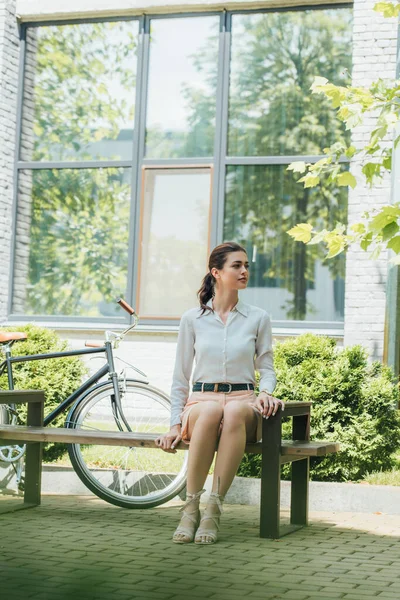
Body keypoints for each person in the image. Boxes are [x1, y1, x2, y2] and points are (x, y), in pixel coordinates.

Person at [155, 242, 284, 545]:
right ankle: (190, 507)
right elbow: (180, 377)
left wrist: (265, 392)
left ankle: (213, 508)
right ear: (216, 272)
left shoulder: (258, 317)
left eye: (246, 266)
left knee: (235, 410)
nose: (244, 271)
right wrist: (175, 424)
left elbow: (266, 367)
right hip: (202, 401)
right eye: (237, 266)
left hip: (243, 402)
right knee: (213, 411)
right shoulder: (192, 319)